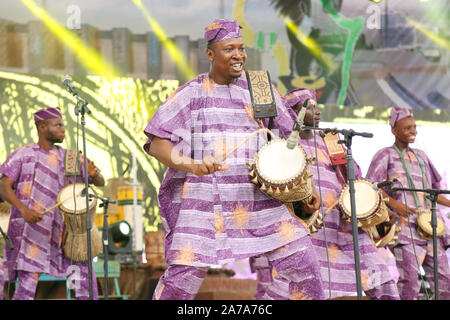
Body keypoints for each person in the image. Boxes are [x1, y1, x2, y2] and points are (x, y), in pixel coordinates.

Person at [143, 19, 325, 300]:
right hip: (204, 202)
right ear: (210, 54)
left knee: (306, 269)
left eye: (241, 48)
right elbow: (157, 144)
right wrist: (191, 164)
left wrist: (304, 192)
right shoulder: (191, 92)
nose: (238, 55)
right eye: (229, 49)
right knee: (181, 283)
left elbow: (288, 144)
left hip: (259, 200)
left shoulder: (260, 87)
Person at [251, 88, 400, 300]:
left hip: (342, 228)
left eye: (317, 107)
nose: (318, 112)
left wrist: (381, 209)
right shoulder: (282, 143)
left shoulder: (332, 140)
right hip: (305, 230)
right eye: (310, 108)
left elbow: (356, 181)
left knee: (380, 276)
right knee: (293, 286)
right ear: (293, 113)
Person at [0, 106, 105, 300]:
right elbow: (4, 186)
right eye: (57, 125)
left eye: (63, 125)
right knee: (26, 287)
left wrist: (93, 175)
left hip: (64, 236)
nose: (63, 129)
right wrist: (23, 210)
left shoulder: (71, 158)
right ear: (42, 127)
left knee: (84, 279)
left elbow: (101, 182)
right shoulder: (22, 155)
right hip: (31, 235)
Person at [366, 107, 450, 300]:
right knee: (410, 281)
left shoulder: (422, 156)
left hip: (431, 227)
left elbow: (434, 192)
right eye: (407, 128)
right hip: (404, 230)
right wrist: (394, 204)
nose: (413, 132)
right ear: (394, 131)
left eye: (414, 127)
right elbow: (370, 187)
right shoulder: (384, 155)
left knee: (444, 281)